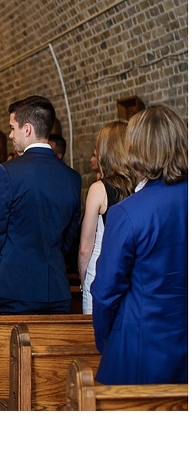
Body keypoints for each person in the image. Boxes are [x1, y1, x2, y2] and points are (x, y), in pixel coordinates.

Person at [92, 105, 187, 385]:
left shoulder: (128, 212)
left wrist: (107, 341)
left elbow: (106, 291)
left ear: (136, 150)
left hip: (141, 348)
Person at [0, 95, 81, 314]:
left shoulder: (8, 172)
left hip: (13, 287)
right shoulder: (72, 178)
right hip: (56, 289)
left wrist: (3, 268)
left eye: (12, 128)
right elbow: (68, 237)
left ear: (27, 129)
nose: (10, 135)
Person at [78, 121, 136, 314]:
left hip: (101, 273)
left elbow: (86, 249)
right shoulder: (142, 186)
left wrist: (84, 280)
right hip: (133, 274)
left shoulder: (99, 189)